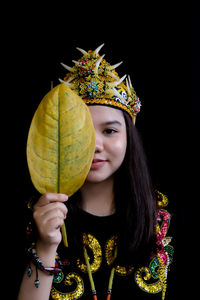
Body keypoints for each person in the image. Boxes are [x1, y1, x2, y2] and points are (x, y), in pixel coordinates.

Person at [18, 44, 173, 300]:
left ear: (129, 138)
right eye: (82, 133)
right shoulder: (38, 215)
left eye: (109, 131)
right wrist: (46, 246)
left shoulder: (161, 217)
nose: (95, 145)